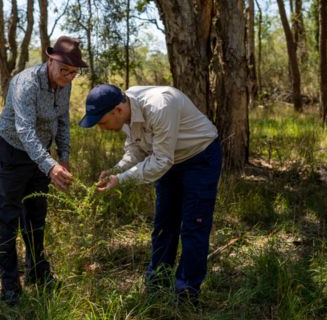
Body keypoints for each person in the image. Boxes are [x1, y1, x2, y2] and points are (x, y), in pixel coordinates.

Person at [79, 84, 223, 305]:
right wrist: (116, 170)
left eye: (102, 122)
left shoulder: (159, 105)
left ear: (117, 110)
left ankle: (186, 294)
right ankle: (157, 284)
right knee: (164, 225)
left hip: (199, 156)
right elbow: (136, 150)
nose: (101, 128)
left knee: (194, 226)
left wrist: (122, 179)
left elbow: (162, 160)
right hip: (167, 159)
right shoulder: (126, 113)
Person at [0, 36, 87, 306]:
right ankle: (10, 283)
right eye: (64, 70)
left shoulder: (64, 85)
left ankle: (37, 271)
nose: (68, 76)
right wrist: (49, 166)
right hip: (11, 150)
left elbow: (63, 119)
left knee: (36, 214)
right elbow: (24, 130)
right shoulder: (27, 83)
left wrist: (63, 157)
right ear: (50, 60)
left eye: (74, 73)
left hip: (41, 154)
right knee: (8, 216)